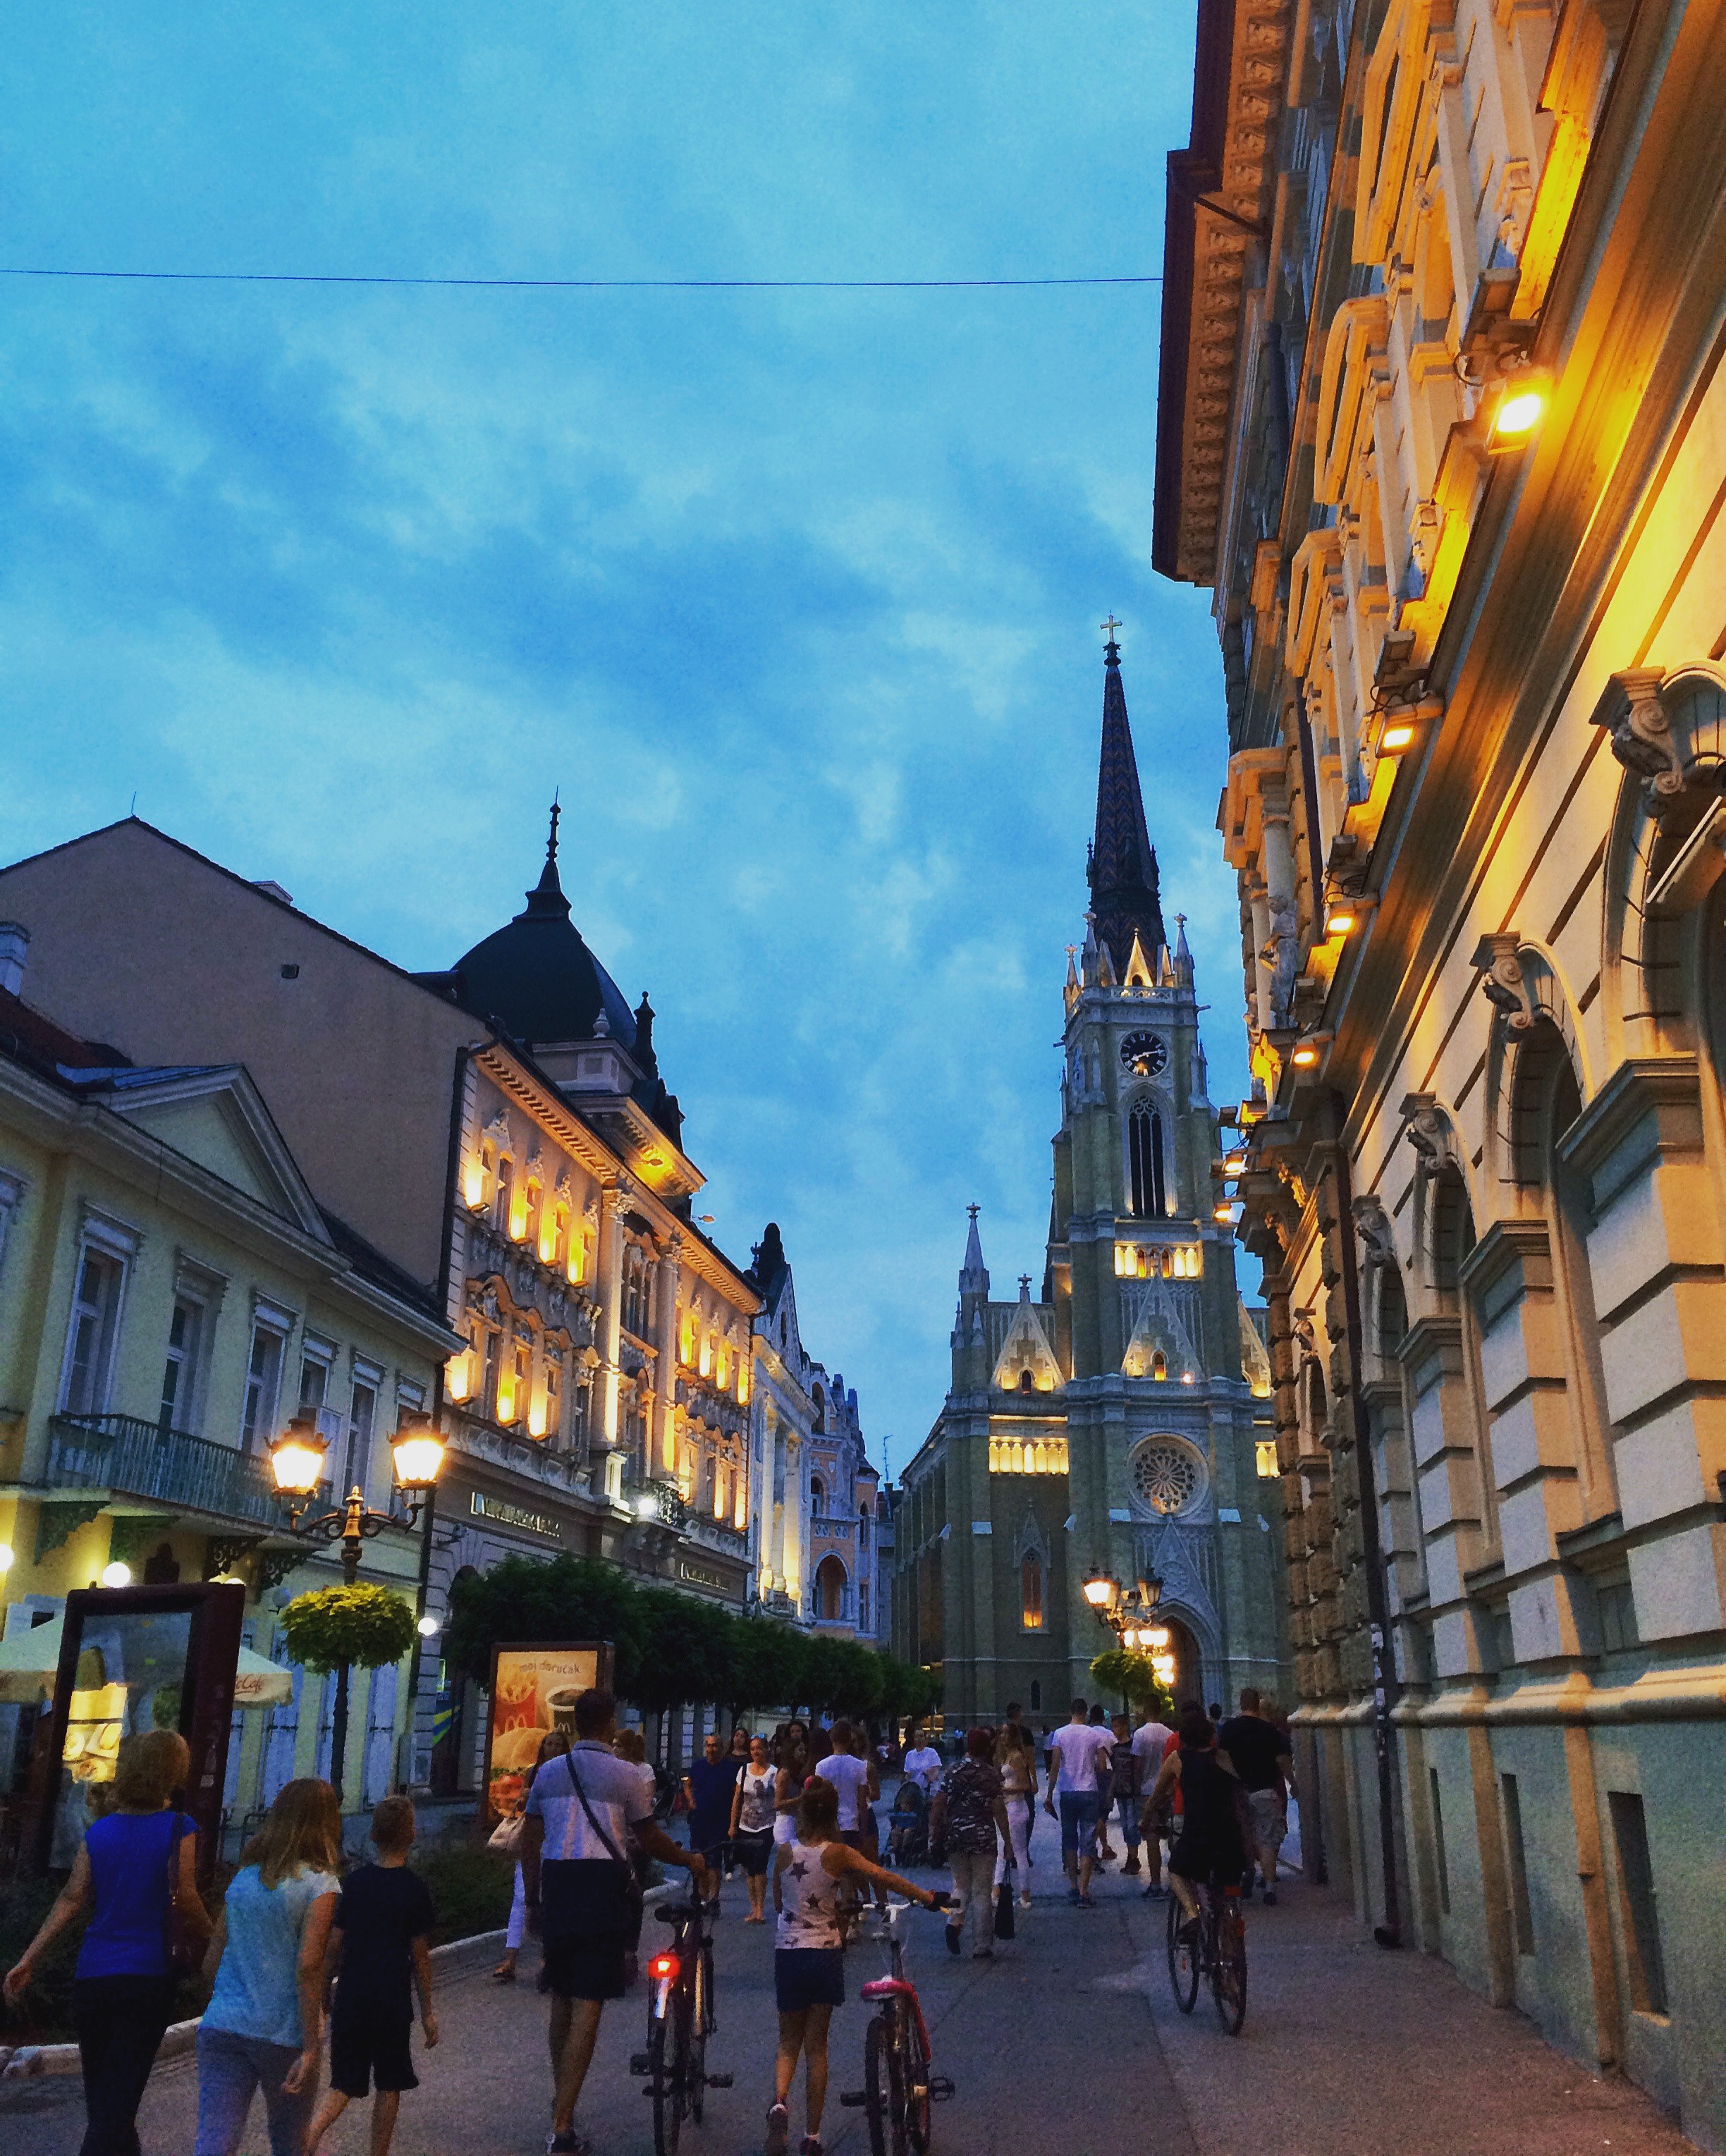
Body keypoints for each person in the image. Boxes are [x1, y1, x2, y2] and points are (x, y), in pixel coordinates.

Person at [4, 1727, 209, 2156]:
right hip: (148, 1976)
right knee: (118, 2102)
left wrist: (29, 1958)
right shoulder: (179, 1828)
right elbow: (185, 1896)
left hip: (93, 1975)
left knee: (105, 2097)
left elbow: (72, 1898)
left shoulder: (100, 1833)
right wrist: (216, 1938)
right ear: (172, 1772)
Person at [522, 1687, 709, 2156]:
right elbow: (647, 1838)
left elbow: (530, 1838)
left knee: (561, 1994)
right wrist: (689, 1860)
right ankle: (562, 2125)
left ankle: (561, 2101)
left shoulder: (547, 1771)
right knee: (589, 2000)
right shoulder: (626, 1774)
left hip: (558, 1881)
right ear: (608, 1724)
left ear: (573, 1725)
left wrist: (532, 1900)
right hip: (602, 1886)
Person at [765, 1775, 944, 2156]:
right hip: (824, 1952)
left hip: (788, 1952)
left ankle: (780, 2103)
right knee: (817, 2047)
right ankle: (812, 2137)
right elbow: (884, 1877)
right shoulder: (839, 1853)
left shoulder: (785, 1851)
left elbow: (779, 1902)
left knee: (787, 2042)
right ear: (832, 1813)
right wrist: (926, 1896)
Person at [195, 1777, 343, 2156]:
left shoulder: (244, 1878)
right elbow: (310, 1966)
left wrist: (229, 1997)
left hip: (223, 2025)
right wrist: (312, 2047)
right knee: (289, 2142)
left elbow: (213, 1957)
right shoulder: (320, 1885)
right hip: (284, 2035)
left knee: (215, 2142)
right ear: (327, 1822)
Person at [306, 1795, 436, 2156]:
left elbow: (334, 1944)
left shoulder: (357, 1883)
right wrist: (428, 2012)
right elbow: (421, 1957)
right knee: (390, 2081)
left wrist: (327, 1989)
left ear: (375, 1835)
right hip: (391, 2000)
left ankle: (309, 2137)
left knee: (344, 2083)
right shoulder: (413, 1888)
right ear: (411, 1835)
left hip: (352, 1995)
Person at [1143, 1708, 1249, 1942]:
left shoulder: (1177, 1760)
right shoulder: (1223, 1757)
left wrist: (1145, 1819)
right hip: (1228, 1837)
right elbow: (1240, 1797)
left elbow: (1157, 1795)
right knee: (1227, 1888)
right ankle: (1231, 1964)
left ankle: (1192, 1915)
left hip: (1197, 1835)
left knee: (1177, 1871)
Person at [496, 1729, 572, 1983]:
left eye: (556, 1744)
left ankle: (546, 1958)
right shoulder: (533, 1771)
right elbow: (524, 1802)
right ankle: (510, 1959)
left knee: (550, 1899)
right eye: (548, 1744)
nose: (551, 1748)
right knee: (521, 1897)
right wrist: (527, 1795)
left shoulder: (568, 1773)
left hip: (556, 1840)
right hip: (532, 1838)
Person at [931, 1728, 1010, 1958]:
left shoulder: (952, 1771)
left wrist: (935, 1833)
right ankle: (982, 1945)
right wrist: (1007, 1841)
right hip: (982, 1839)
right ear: (986, 1748)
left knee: (961, 1885)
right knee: (982, 1892)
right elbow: (998, 1809)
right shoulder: (990, 1774)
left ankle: (953, 1921)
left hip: (956, 1838)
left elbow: (938, 1803)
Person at [1218, 1688, 1295, 1904]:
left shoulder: (1229, 1729)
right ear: (1257, 1704)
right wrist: (1294, 1784)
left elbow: (1221, 1757)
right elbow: (1282, 1761)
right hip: (1266, 1791)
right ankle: (1269, 1887)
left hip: (1239, 1794)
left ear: (1241, 1704)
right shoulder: (1270, 1731)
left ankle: (1248, 1874)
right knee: (1268, 1839)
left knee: (1245, 1835)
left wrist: (1236, 1778)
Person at [1043, 1698, 1115, 1906]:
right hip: (1089, 1791)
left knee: (1070, 1838)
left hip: (1067, 1791)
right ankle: (1085, 1892)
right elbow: (1102, 1765)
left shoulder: (1060, 1734)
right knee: (1087, 1841)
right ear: (1086, 1714)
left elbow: (1055, 1765)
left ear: (1070, 1712)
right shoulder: (1093, 1734)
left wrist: (1049, 1794)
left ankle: (1073, 1887)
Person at [611, 1727, 657, 1987]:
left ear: (628, 1749)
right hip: (612, 1839)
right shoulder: (610, 1769)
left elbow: (645, 1802)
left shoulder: (643, 1771)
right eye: (613, 1745)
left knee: (634, 1894)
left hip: (635, 1840)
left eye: (619, 1745)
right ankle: (613, 1951)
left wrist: (635, 1831)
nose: (615, 1749)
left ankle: (630, 1952)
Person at [682, 1731, 739, 1906]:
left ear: (721, 1748)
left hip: (719, 1821)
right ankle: (701, 1897)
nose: (711, 1749)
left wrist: (733, 1823)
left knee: (714, 1861)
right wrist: (690, 1799)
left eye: (715, 1746)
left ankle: (714, 1899)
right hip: (699, 1820)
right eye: (708, 1745)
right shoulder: (698, 1766)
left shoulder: (729, 1769)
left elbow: (737, 1794)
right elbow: (687, 1784)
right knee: (699, 1859)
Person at [729, 1734, 779, 1922]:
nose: (756, 1752)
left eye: (759, 1748)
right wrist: (733, 1825)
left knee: (760, 1866)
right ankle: (753, 1907)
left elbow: (778, 1798)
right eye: (752, 1749)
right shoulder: (744, 1771)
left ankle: (761, 1910)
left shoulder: (773, 1773)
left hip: (766, 1825)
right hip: (745, 1825)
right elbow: (737, 1799)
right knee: (749, 1867)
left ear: (766, 1749)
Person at [1132, 1707, 1175, 1899]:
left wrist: (1136, 1786)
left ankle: (1156, 1883)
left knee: (1152, 1839)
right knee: (1173, 1838)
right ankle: (1176, 1883)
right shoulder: (1170, 1734)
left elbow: (1138, 1764)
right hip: (1167, 1791)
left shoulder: (1140, 1734)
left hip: (1147, 1791)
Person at [992, 1720, 1036, 1909]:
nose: (1002, 1737)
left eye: (1005, 1733)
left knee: (1018, 1851)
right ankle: (997, 1890)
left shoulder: (1017, 1757)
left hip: (1016, 1807)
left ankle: (1025, 1894)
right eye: (1000, 1733)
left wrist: (1007, 1790)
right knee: (1002, 1851)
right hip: (1007, 1806)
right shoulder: (1006, 1756)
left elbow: (1026, 1785)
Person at [1108, 1714, 1145, 1876]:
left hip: (1131, 1792)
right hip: (1120, 1792)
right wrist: (1111, 1791)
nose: (1114, 1730)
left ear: (1124, 1727)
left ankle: (1134, 1857)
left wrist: (1137, 1789)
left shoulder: (1133, 1746)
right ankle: (1131, 1857)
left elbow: (1138, 1768)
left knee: (1132, 1826)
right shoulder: (1115, 1749)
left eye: (1116, 1726)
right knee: (1125, 1826)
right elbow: (1115, 1771)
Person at [772, 1722, 812, 1849]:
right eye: (800, 1750)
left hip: (798, 1822)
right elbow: (778, 1804)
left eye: (804, 1750)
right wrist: (800, 1799)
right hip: (786, 1823)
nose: (804, 1753)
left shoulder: (799, 1772)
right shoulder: (784, 1774)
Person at [1089, 1705, 1117, 1861]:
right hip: (1106, 1774)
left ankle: (1105, 1847)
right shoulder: (1108, 1734)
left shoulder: (1087, 1733)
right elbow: (1115, 1753)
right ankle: (1090, 1848)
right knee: (1103, 1813)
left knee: (1095, 1814)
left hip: (1089, 1774)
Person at [723, 1725, 752, 1879]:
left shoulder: (749, 1758)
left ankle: (743, 1863)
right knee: (728, 1831)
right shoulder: (727, 1758)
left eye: (742, 1736)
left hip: (745, 1796)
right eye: (737, 1735)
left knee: (743, 1832)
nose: (739, 1739)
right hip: (729, 1796)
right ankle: (728, 1866)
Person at [901, 1726, 943, 1796]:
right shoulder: (909, 1755)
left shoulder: (932, 1752)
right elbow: (907, 1774)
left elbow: (936, 1771)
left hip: (928, 1788)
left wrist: (930, 1779)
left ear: (925, 1739)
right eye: (916, 1736)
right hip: (913, 1789)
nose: (919, 1739)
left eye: (921, 1736)